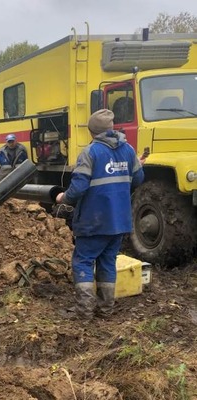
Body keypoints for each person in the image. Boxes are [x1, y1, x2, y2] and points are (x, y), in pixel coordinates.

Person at [55, 109, 145, 320]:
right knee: (107, 262)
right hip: (119, 221)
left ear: (91, 131)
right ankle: (106, 310)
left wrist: (62, 198)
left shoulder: (91, 152)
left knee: (83, 261)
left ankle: (85, 312)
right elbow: (138, 179)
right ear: (111, 128)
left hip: (94, 220)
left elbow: (78, 189)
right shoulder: (129, 150)